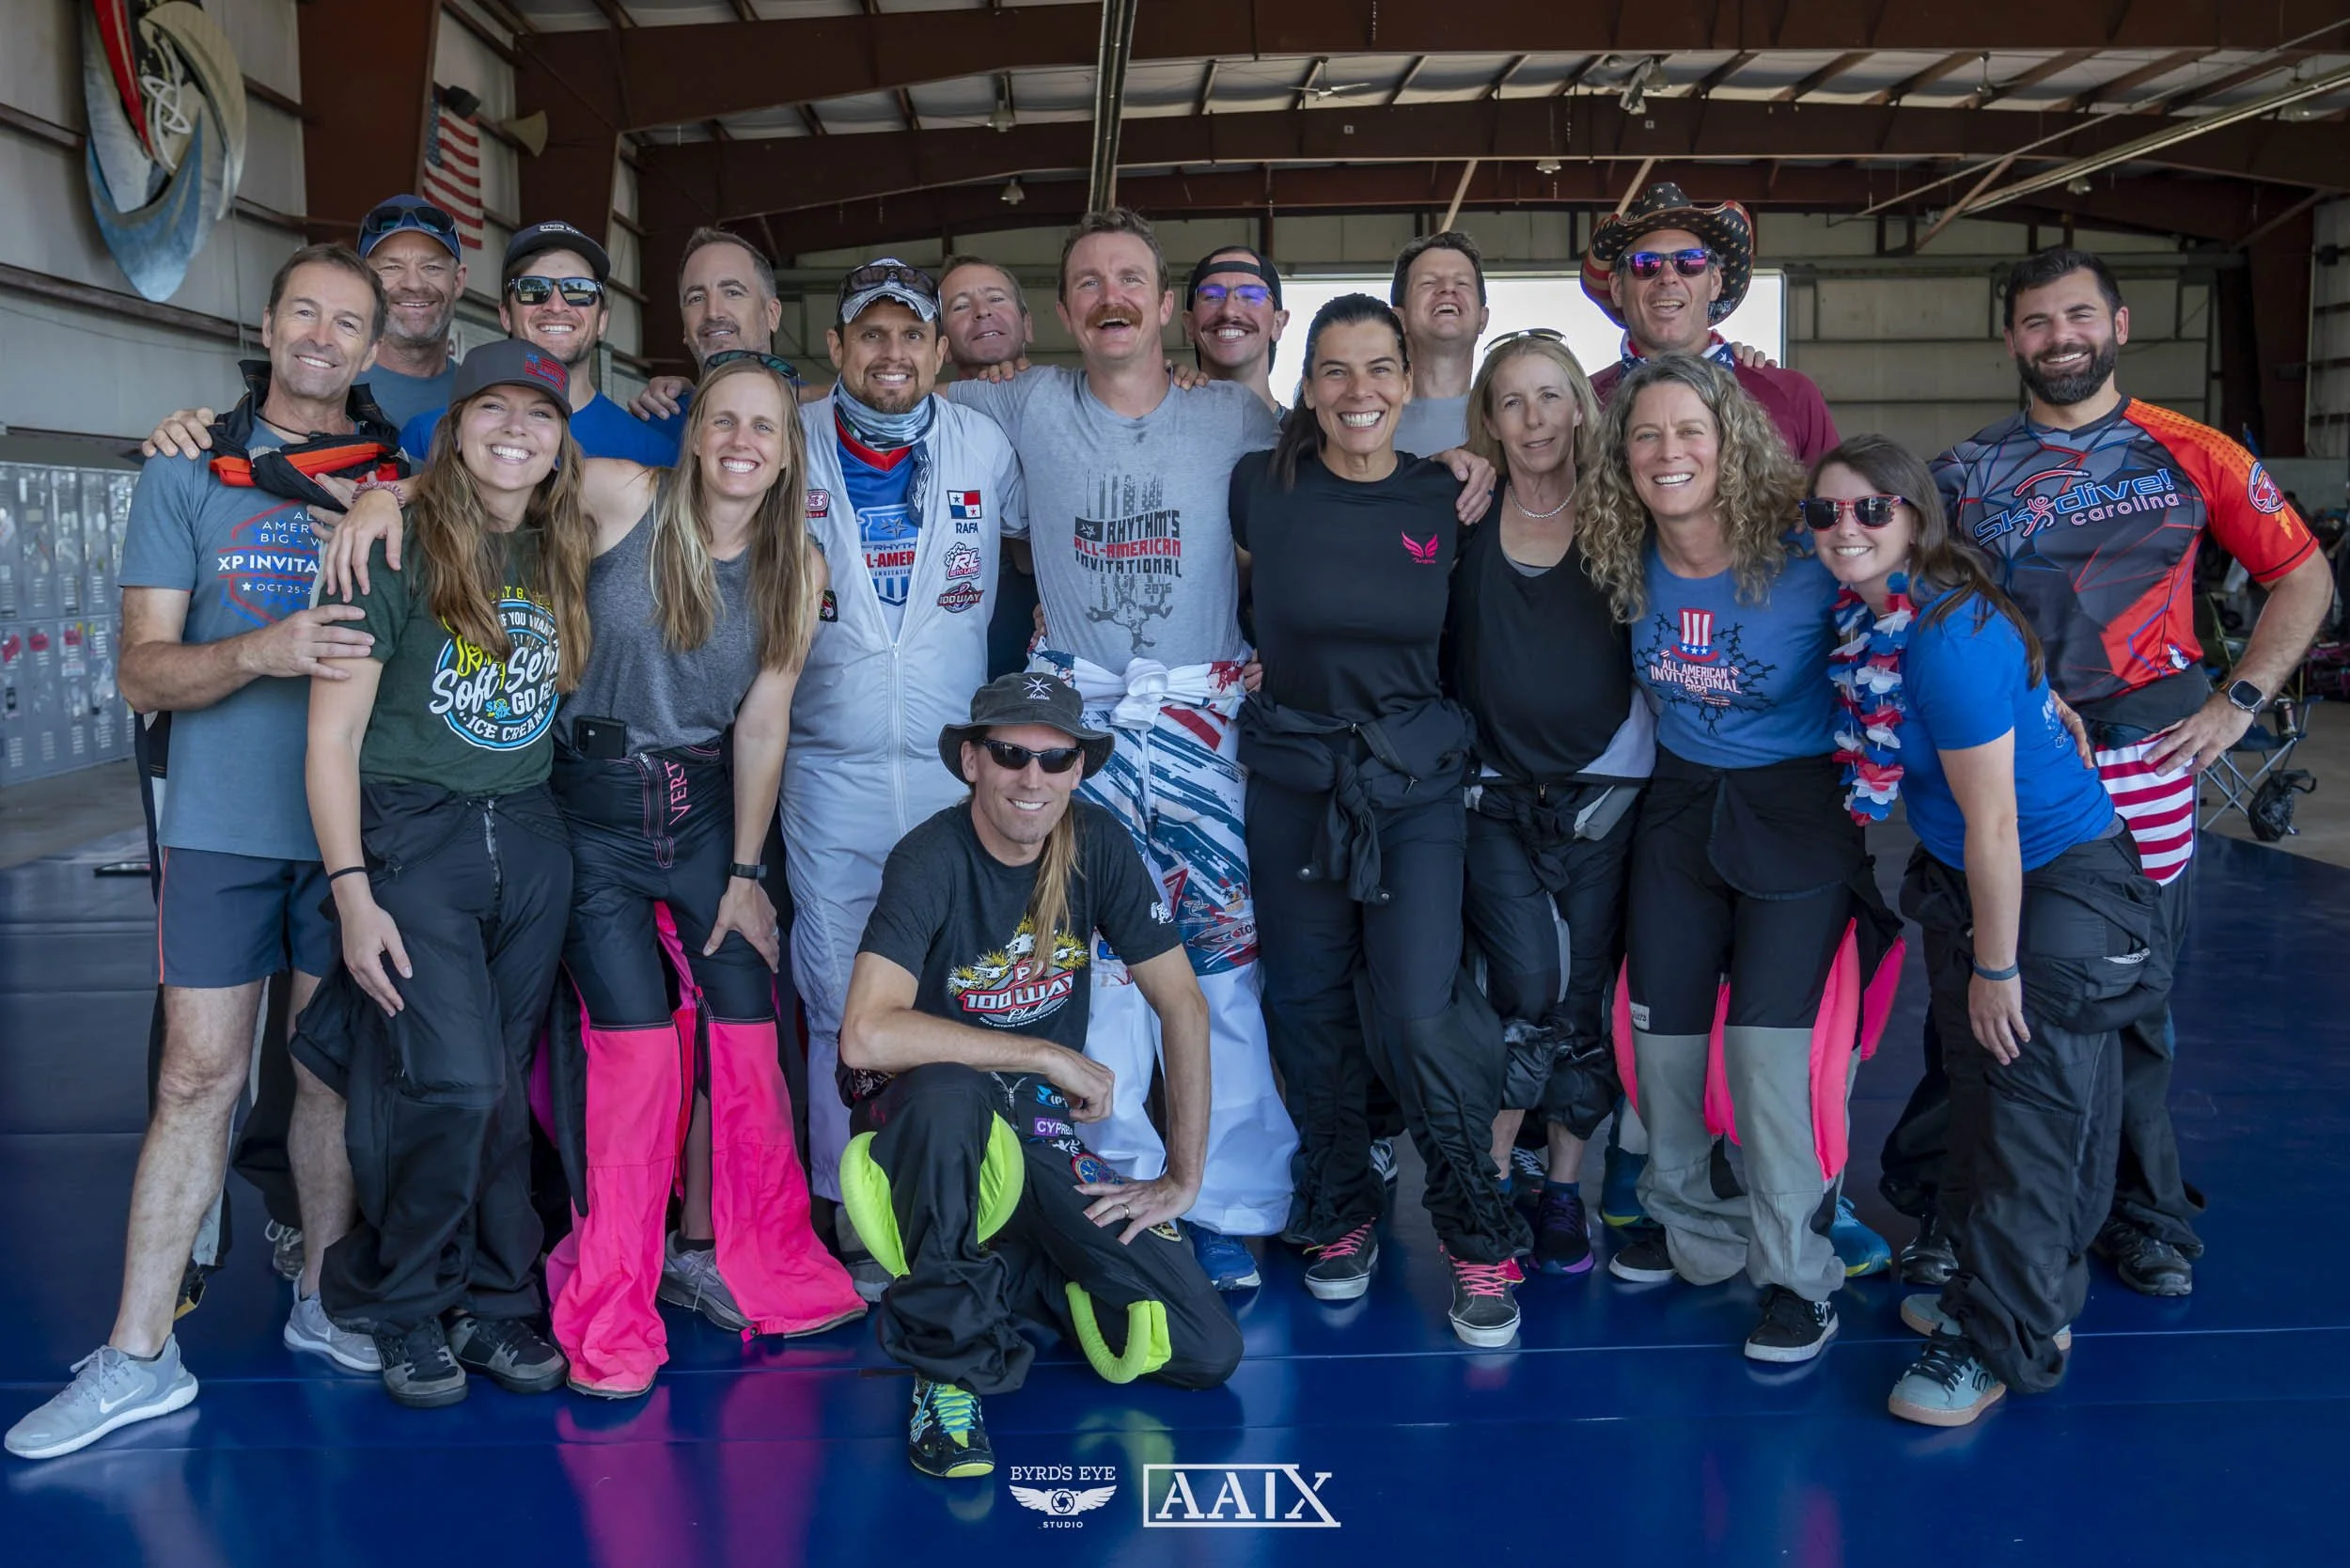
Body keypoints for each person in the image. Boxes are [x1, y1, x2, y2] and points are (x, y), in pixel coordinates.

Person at [5, 245, 400, 1462]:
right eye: (305, 314)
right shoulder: (189, 474)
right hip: (225, 829)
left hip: (351, 835)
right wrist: (263, 651)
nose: (324, 338)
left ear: (373, 351)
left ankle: (323, 1300)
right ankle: (137, 1353)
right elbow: (137, 670)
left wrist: (398, 495)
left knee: (327, 1076)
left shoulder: (401, 479)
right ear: (269, 325)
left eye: (349, 323)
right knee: (196, 1079)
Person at [1882, 248, 2331, 1297]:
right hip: (2005, 767)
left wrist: (2240, 703)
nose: (2058, 338)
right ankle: (1963, 1209)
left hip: (2142, 752)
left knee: (2127, 996)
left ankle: (2141, 1212)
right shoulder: (1960, 474)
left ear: (2118, 325)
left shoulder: (2193, 451)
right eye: (2036, 322)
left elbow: (2300, 574)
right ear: (2011, 340)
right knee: (1975, 991)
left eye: (2077, 316)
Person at [939, 209, 1308, 1289]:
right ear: (1064, 312)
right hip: (1075, 735)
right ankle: (1119, 1186)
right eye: (1088, 281)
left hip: (1199, 721)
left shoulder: (1236, 413)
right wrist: (703, 393)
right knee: (1094, 961)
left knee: (1218, 962)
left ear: (1163, 304)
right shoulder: (1021, 399)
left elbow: (1349, 449)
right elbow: (880, 398)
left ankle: (1233, 1195)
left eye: (1131, 279)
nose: (1110, 296)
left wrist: (1462, 463)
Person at [1807, 435, 2167, 1427]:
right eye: (1826, 513)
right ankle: (2014, 1295)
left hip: (2051, 876)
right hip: (1976, 875)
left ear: (1916, 518)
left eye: (1871, 510)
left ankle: (2003, 1338)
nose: (1846, 529)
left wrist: (1998, 965)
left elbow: (1997, 820)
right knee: (1988, 1090)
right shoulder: (1875, 614)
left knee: (2026, 1106)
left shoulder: (1944, 635)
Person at [836, 672, 1241, 1478]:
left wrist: (1182, 1177)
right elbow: (866, 1035)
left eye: (1056, 761)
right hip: (935, 1136)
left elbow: (1184, 1006)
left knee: (1206, 1349)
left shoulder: (1097, 845)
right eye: (1011, 754)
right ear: (971, 762)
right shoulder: (930, 856)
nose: (1034, 778)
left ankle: (1018, 1278)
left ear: (1079, 770)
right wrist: (1044, 1053)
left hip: (1043, 1135)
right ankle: (944, 1376)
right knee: (952, 1091)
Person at [289, 340, 591, 1408]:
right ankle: (400, 1299)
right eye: (493, 410)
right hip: (415, 840)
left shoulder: (563, 543)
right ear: (454, 426)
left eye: (540, 416)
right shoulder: (393, 547)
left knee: (504, 1092)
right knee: (450, 1084)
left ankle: (496, 1300)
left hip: (532, 833)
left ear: (562, 441)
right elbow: (330, 743)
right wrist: (352, 888)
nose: (517, 430)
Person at [1579, 353, 1899, 1365]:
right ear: (1621, 458)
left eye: (1688, 433)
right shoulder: (1621, 552)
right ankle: (1699, 1230)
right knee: (1660, 1049)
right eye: (1644, 435)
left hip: (1797, 813)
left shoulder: (1804, 551)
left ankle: (1798, 1277)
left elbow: (1915, 611)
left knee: (1768, 1062)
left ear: (1730, 442)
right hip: (1678, 812)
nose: (1667, 453)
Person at [1233, 293, 1530, 1344]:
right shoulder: (1258, 489)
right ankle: (1338, 1210)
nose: (1358, 392)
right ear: (1305, 387)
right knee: (1308, 1004)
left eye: (1377, 370)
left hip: (1412, 788)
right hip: (1293, 782)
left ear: (1408, 382)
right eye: (1334, 371)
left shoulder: (1444, 495)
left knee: (1417, 1006)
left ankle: (1473, 1225)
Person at [786, 259, 1023, 1253]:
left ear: (938, 349)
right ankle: (852, 1212)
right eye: (869, 334)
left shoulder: (982, 443)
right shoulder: (785, 439)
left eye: (910, 334)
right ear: (835, 348)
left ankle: (959, 1196)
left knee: (954, 984)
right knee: (837, 989)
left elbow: (1028, 560)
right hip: (825, 761)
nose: (891, 352)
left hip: (946, 767)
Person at [1453, 331, 1654, 1277]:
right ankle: (1491, 1175)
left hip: (1606, 792)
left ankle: (1564, 1185)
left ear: (1580, 405)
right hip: (1493, 793)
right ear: (1487, 421)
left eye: (1548, 396)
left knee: (1582, 994)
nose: (1532, 418)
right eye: (1510, 401)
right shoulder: (1464, 510)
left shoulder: (1627, 513)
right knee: (1520, 985)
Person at [141, 222, 678, 470]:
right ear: (503, 312)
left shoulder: (655, 447)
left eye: (579, 293)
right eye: (534, 290)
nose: (556, 306)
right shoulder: (431, 434)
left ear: (603, 319)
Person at [1581, 183, 1840, 465]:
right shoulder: (1580, 407)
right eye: (1646, 264)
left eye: (1689, 262)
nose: (1668, 277)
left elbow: (1837, 504)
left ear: (1715, 282)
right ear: (1617, 287)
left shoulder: (1792, 396)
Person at [627, 227, 793, 438]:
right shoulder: (650, 430)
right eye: (696, 298)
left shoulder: (820, 418)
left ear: (772, 314)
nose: (713, 313)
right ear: (684, 326)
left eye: (733, 293)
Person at [353, 195, 467, 429]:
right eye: (392, 267)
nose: (414, 284)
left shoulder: (483, 397)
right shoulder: (330, 388)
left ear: (457, 281)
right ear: (362, 282)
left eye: (432, 267)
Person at [1388, 230, 1490, 454]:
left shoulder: (1508, 420)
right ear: (1399, 319)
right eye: (1428, 282)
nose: (1447, 289)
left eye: (1462, 283)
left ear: (1483, 318)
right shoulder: (1368, 424)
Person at [1183, 245, 1289, 410]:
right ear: (1189, 324)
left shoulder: (1313, 434)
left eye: (1250, 296)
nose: (1228, 311)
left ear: (1278, 324)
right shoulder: (1156, 429)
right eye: (1212, 296)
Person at [938, 255, 1036, 373]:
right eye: (961, 306)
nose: (982, 311)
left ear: (1027, 325)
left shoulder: (1060, 386)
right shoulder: (927, 392)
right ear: (943, 347)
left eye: (996, 299)